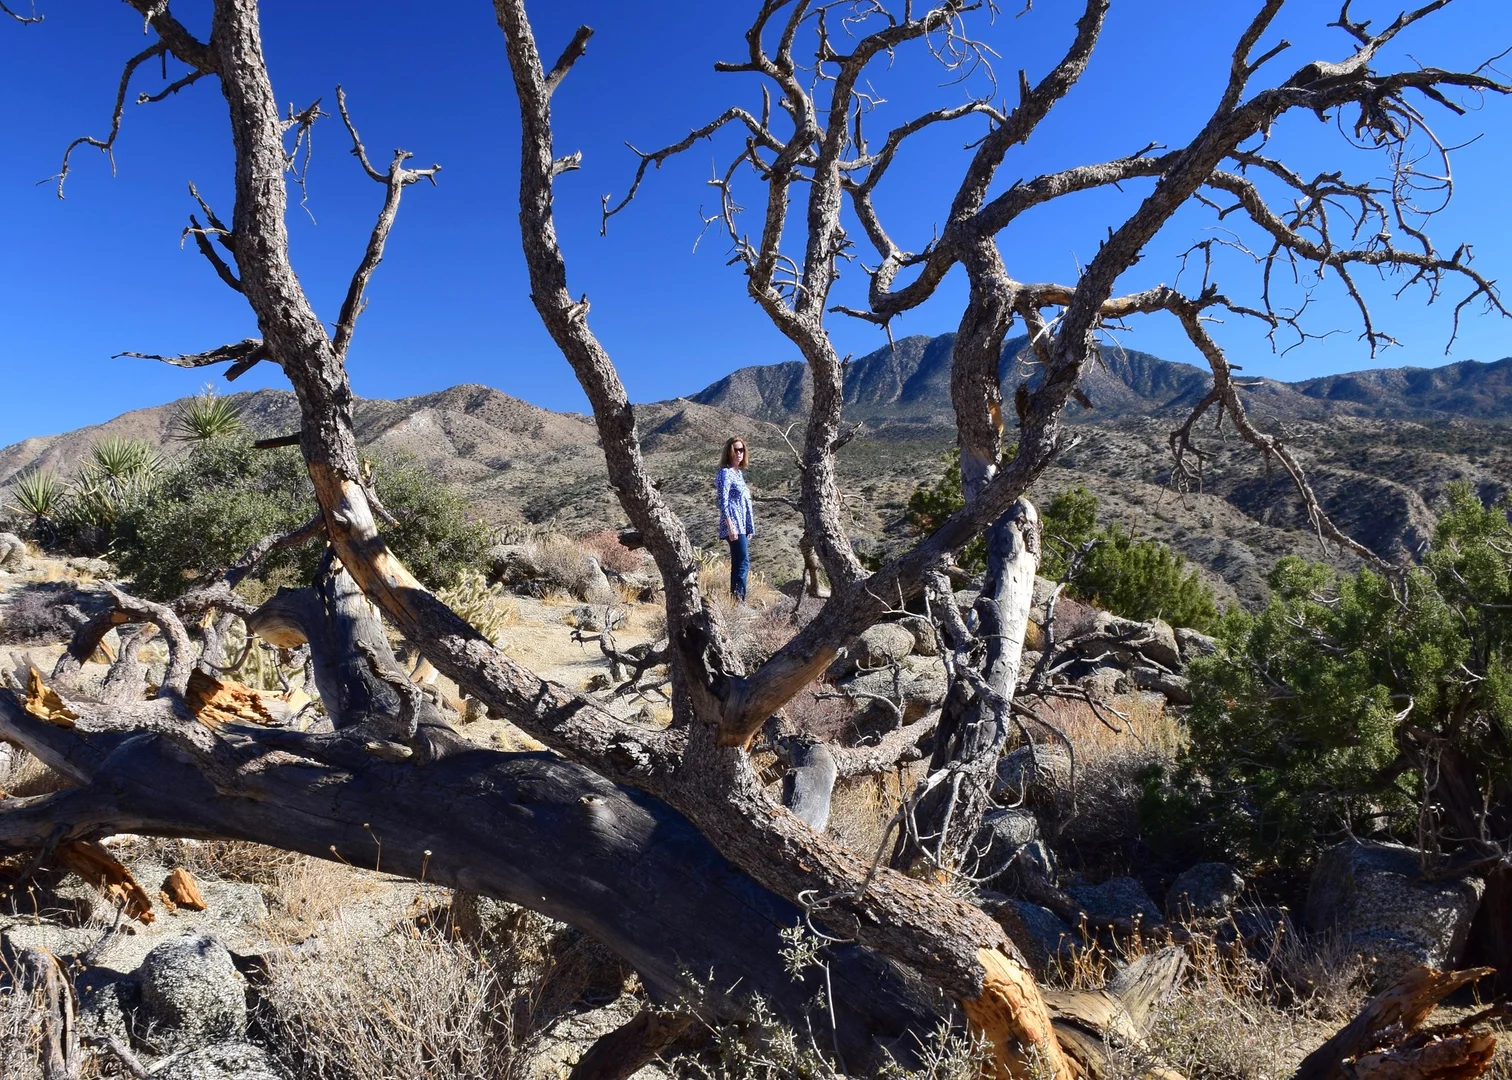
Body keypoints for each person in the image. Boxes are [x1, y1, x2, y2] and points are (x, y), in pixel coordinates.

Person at [716, 436, 755, 602]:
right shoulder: (725, 474)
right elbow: (722, 502)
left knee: (739, 562)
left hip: (742, 526)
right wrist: (730, 525)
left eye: (742, 450)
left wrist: (749, 527)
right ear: (729, 452)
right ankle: (739, 601)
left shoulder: (738, 474)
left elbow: (744, 504)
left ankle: (735, 600)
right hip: (733, 525)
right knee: (743, 562)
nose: (739, 453)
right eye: (736, 450)